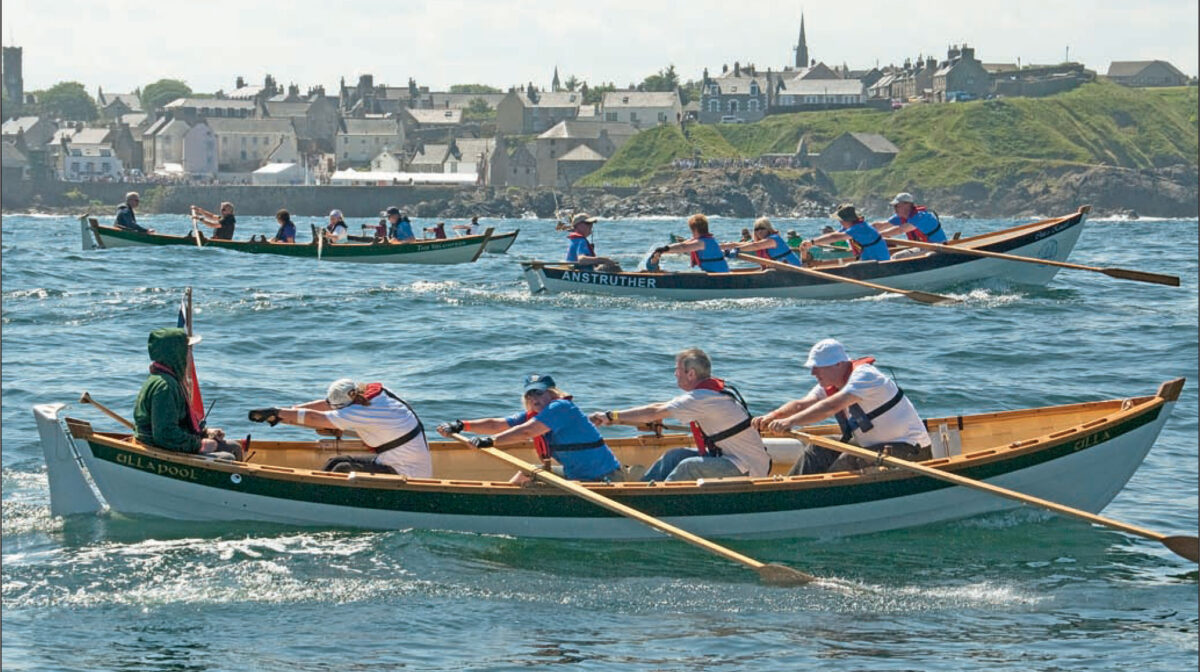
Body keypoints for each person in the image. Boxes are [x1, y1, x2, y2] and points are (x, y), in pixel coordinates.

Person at [754, 338, 933, 475]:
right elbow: (802, 404)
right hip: (871, 445)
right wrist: (773, 416)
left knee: (847, 461)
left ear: (838, 364)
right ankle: (790, 490)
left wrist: (789, 422)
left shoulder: (865, 376)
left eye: (818, 367)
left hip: (911, 450)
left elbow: (830, 407)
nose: (813, 372)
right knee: (819, 448)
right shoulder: (833, 382)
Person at [590, 348, 771, 482]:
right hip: (729, 457)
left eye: (677, 370)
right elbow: (658, 407)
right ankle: (642, 488)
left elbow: (654, 412)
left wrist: (611, 415)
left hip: (749, 467)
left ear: (690, 373)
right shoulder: (709, 394)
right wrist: (620, 418)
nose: (675, 374)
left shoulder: (702, 398)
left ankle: (654, 501)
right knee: (674, 456)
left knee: (688, 466)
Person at [438, 374, 623, 484]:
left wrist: (492, 441)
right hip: (574, 476)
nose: (535, 398)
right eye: (530, 394)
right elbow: (497, 424)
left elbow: (527, 431)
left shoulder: (561, 408)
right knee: (527, 472)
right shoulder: (534, 415)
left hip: (603, 479)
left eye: (539, 392)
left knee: (532, 472)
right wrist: (462, 425)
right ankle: (504, 503)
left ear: (553, 393)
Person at [248, 378, 433, 477]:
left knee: (342, 468)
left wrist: (277, 412)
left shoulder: (360, 411)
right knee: (335, 461)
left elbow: (314, 418)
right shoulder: (376, 396)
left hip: (407, 472)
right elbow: (327, 405)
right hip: (392, 459)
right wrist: (290, 412)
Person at [133, 327, 243, 460]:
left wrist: (205, 432)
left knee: (234, 447)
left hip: (170, 443)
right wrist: (200, 445)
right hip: (158, 448)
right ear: (176, 353)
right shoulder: (164, 387)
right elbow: (165, 435)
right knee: (226, 458)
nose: (190, 355)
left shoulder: (172, 379)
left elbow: (179, 424)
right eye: (187, 349)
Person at [801, 205, 890, 262]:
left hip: (880, 261)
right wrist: (815, 242)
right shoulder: (851, 226)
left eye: (840, 220)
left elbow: (835, 237)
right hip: (868, 259)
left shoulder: (859, 228)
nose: (840, 223)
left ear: (846, 220)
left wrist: (812, 242)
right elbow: (836, 234)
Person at [650, 214, 730, 273]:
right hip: (716, 272)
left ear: (694, 229)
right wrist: (663, 251)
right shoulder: (708, 239)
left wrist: (665, 249)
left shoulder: (701, 243)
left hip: (716, 274)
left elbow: (683, 247)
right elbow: (684, 244)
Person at [722, 217, 801, 266]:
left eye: (762, 228)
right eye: (756, 229)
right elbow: (736, 244)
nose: (759, 232)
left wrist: (737, 249)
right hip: (781, 272)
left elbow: (756, 246)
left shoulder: (773, 239)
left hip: (796, 271)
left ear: (768, 228)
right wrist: (716, 247)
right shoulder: (761, 241)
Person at [877, 192, 947, 244]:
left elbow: (900, 230)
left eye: (897, 206)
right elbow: (881, 225)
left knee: (898, 257)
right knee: (896, 256)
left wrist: (875, 236)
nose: (895, 208)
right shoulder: (901, 216)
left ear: (907, 205)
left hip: (939, 247)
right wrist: (867, 230)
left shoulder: (920, 217)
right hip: (924, 247)